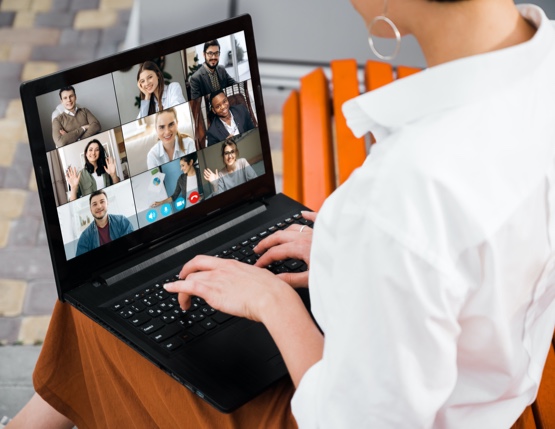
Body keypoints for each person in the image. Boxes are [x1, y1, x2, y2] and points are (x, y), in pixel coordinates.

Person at [8, 1, 555, 428]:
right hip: (489, 389)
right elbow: (468, 260)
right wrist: (355, 262)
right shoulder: (543, 66)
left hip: (354, 409)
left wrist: (271, 302)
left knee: (97, 314)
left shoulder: (407, 192)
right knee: (111, 294)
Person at [75, 190, 134, 257]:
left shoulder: (122, 221)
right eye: (94, 204)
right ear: (90, 209)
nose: (99, 206)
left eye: (102, 202)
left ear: (107, 204)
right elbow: (82, 264)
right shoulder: (85, 237)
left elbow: (132, 245)